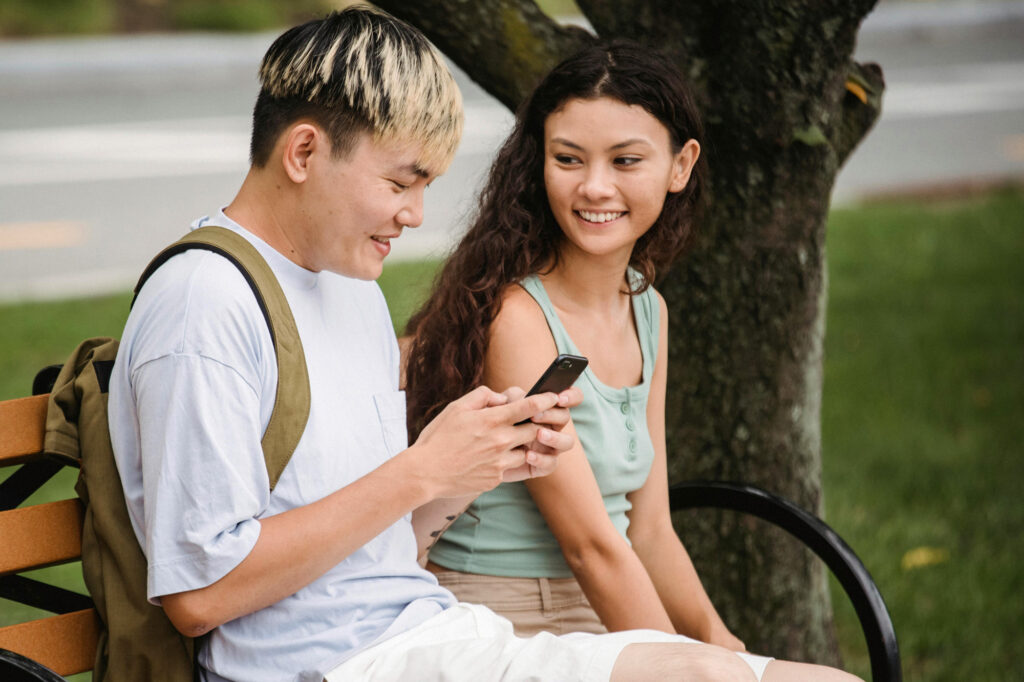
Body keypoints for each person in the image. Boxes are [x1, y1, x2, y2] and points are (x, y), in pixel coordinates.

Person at [108, 7, 854, 681]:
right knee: (702, 679)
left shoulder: (347, 287)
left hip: (428, 634)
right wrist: (420, 470)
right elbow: (201, 594)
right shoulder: (204, 303)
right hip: (330, 665)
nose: (415, 213)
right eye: (401, 181)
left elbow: (384, 546)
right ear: (304, 152)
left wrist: (464, 469)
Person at [404, 41, 861, 682]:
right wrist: (689, 661)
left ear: (681, 166)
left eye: (626, 161)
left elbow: (648, 528)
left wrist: (717, 637)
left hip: (611, 605)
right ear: (539, 163)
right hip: (504, 618)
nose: (595, 186)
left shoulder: (648, 310)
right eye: (568, 159)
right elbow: (590, 547)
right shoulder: (519, 320)